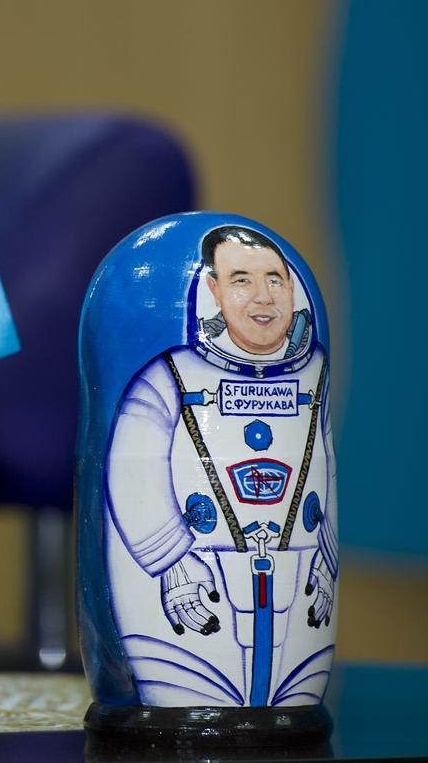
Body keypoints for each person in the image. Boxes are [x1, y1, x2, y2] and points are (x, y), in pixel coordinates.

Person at [105, 225, 337, 708]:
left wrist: (326, 556)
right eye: (241, 280)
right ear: (212, 290)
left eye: (275, 279)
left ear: (292, 288)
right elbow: (131, 474)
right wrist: (170, 561)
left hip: (300, 603)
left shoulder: (312, 376)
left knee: (292, 687)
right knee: (183, 691)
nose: (262, 296)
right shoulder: (170, 379)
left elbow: (327, 468)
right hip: (191, 596)